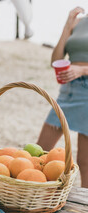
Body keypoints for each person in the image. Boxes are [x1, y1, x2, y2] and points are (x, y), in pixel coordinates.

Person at [37, 7, 88, 188]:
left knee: (85, 162)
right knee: (41, 152)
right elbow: (56, 60)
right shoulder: (78, 22)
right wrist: (68, 25)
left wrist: (82, 69)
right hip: (69, 91)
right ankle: (37, 194)